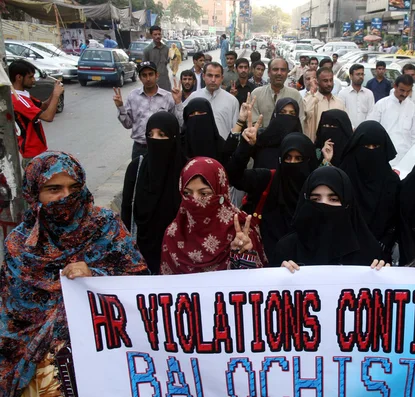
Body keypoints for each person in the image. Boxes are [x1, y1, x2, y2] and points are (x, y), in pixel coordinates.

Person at [0, 152, 147, 397]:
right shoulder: (19, 245)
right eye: (54, 189)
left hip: (105, 360)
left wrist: (95, 277)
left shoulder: (105, 226)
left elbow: (140, 285)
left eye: (74, 187)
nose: (66, 197)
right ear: (35, 193)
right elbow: (11, 320)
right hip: (38, 373)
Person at [227, 124, 332, 262]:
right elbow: (234, 176)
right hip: (268, 263)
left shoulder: (316, 189)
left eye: (298, 158)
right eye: (287, 158)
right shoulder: (268, 179)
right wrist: (246, 146)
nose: (292, 163)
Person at [160, 157, 267, 274]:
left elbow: (254, 285)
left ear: (221, 192)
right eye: (187, 193)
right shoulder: (174, 234)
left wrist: (243, 255)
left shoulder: (242, 230)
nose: (195, 200)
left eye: (204, 193)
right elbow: (165, 287)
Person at [275, 167, 387, 269]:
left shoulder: (369, 250)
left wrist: (382, 276)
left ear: (347, 203)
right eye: (315, 199)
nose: (324, 204)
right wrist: (279, 276)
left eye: (333, 199)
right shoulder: (287, 248)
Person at [339, 121, 415, 264]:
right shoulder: (342, 178)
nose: (371, 151)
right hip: (343, 254)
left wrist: (384, 243)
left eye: (376, 146)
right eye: (366, 146)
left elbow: (395, 219)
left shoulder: (391, 181)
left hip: (380, 258)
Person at [122, 112, 186, 274]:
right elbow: (126, 210)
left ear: (173, 137)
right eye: (150, 134)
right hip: (141, 253)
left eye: (161, 135)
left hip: (179, 255)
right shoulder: (136, 168)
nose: (155, 139)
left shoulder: (186, 170)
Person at [114, 61, 184, 160]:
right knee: (138, 175)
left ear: (157, 75)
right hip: (140, 148)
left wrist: (178, 102)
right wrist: (121, 107)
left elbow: (180, 124)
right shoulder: (133, 96)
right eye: (144, 75)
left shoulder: (168, 97)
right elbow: (128, 124)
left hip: (163, 147)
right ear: (140, 77)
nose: (148, 78)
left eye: (151, 74)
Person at [9, 60, 64, 168]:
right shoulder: (18, 99)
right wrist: (56, 95)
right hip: (32, 153)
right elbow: (48, 117)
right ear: (19, 77)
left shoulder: (23, 94)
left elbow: (43, 106)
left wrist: (54, 92)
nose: (33, 80)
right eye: (30, 77)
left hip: (38, 151)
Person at [367, 74, 415, 166]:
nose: (404, 94)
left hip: (405, 156)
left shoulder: (412, 107)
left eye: (408, 91)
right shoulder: (382, 104)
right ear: (395, 86)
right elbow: (371, 130)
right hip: (384, 155)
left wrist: (413, 154)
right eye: (402, 90)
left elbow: (414, 134)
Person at [183, 62, 239, 140]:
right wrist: (178, 102)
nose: (213, 80)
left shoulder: (232, 101)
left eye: (217, 76)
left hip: (223, 148)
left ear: (222, 78)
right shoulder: (194, 97)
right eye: (210, 75)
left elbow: (235, 130)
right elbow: (182, 121)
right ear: (203, 76)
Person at [243, 97, 303, 169]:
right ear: (275, 114)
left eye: (291, 113)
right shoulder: (260, 138)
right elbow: (240, 161)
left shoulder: (300, 143)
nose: (286, 116)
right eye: (282, 112)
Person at [251, 58, 304, 128]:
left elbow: (300, 122)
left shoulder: (295, 95)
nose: (279, 73)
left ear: (287, 73)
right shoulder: (256, 94)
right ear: (269, 73)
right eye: (275, 69)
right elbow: (253, 123)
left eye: (283, 70)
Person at [303, 67, 346, 141]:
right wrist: (312, 90)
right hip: (315, 147)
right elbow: (306, 112)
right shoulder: (312, 100)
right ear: (317, 81)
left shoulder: (339, 103)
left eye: (331, 80)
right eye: (325, 81)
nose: (329, 84)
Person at [338, 64, 375, 129]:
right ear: (351, 76)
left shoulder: (369, 93)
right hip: (348, 130)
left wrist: (364, 128)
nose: (361, 76)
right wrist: (351, 128)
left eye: (362, 74)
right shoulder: (343, 94)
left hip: (365, 131)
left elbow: (371, 113)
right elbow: (342, 114)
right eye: (358, 74)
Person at [143, 26, 171, 91]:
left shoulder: (166, 48)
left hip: (165, 80)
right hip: (153, 82)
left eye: (159, 34)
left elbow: (166, 63)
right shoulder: (147, 50)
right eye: (155, 34)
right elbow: (145, 67)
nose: (158, 36)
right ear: (151, 35)